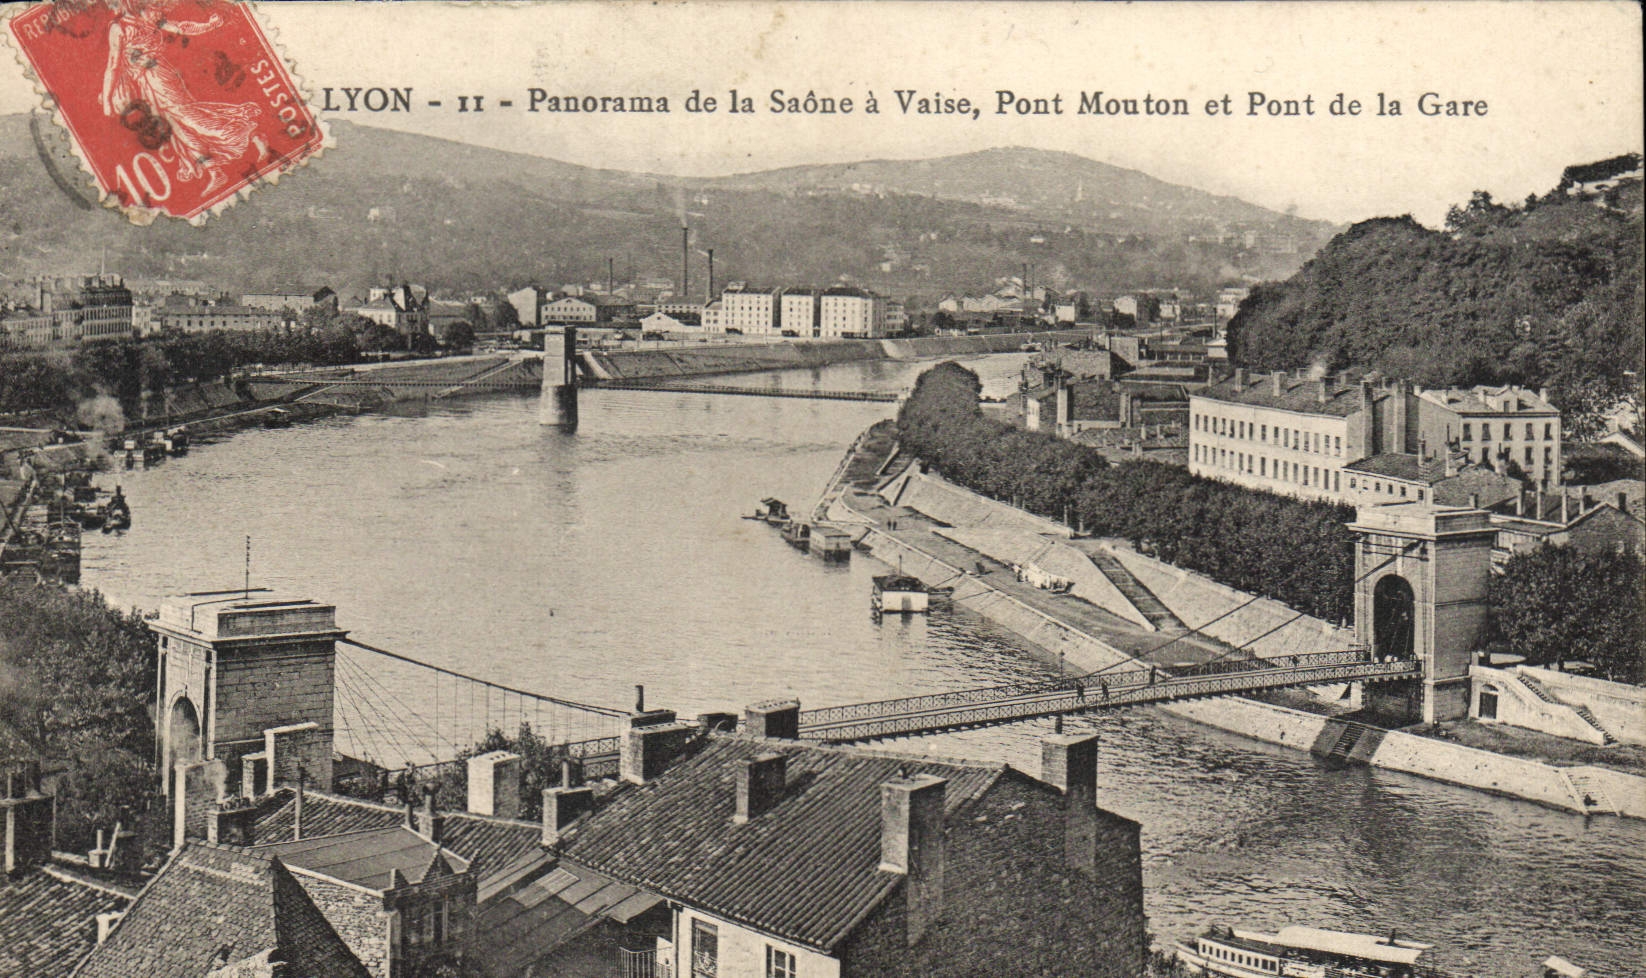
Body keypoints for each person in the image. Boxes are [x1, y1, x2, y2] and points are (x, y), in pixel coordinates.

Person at [100, 0, 260, 194]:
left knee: (184, 116)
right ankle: (214, 170)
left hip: (159, 77)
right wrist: (108, 98)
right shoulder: (130, 23)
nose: (111, 6)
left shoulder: (132, 22)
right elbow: (114, 66)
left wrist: (209, 25)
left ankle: (236, 128)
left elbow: (114, 65)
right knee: (174, 126)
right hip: (146, 83)